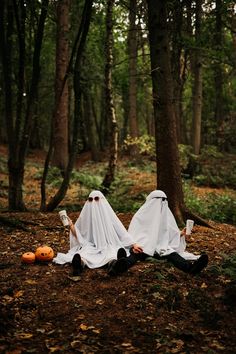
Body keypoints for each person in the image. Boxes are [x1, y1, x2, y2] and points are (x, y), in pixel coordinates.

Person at [109, 190, 208, 276]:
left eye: (163, 200)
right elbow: (133, 233)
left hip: (160, 249)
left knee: (172, 254)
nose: (160, 203)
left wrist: (180, 233)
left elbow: (168, 234)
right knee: (136, 255)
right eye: (158, 200)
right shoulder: (141, 215)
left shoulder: (166, 216)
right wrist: (134, 245)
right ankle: (120, 266)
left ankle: (190, 268)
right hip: (143, 247)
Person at [53, 190, 142, 275]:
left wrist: (133, 244)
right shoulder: (86, 215)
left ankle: (114, 265)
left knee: (111, 254)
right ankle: (79, 265)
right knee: (84, 254)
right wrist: (71, 225)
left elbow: (120, 230)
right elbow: (80, 233)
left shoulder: (108, 215)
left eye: (96, 199)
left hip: (108, 244)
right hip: (91, 246)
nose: (94, 202)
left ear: (102, 200)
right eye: (91, 199)